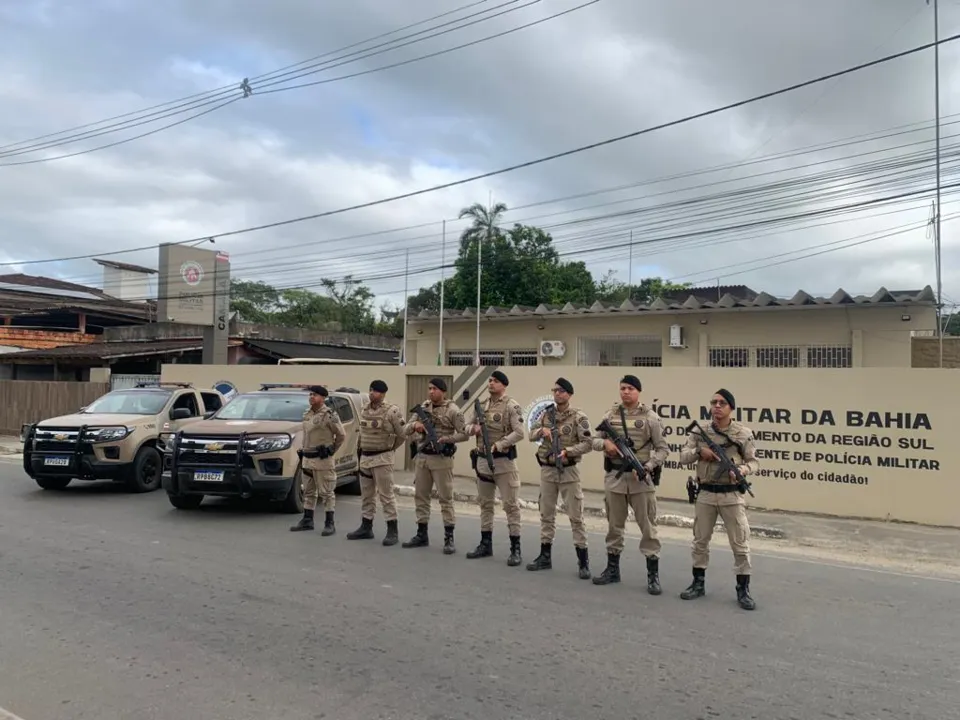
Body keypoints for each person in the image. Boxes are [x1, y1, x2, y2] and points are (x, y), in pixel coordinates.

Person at [678, 388, 759, 611]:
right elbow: (683, 456)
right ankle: (698, 583)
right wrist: (699, 453)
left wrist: (741, 469)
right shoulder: (700, 431)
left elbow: (754, 462)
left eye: (722, 403)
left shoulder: (743, 433)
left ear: (731, 407)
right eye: (713, 402)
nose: (716, 406)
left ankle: (743, 589)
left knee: (740, 542)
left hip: (731, 494)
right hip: (705, 493)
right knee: (700, 541)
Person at [591, 374, 669, 594]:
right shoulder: (610, 415)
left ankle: (653, 576)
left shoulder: (650, 418)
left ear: (638, 392)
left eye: (630, 388)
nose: (626, 392)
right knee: (614, 526)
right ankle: (613, 570)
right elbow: (593, 440)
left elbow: (663, 449)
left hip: (640, 480)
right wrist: (605, 443)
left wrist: (649, 466)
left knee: (648, 529)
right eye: (623, 388)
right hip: (615, 478)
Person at [526, 377, 594, 579]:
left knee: (576, 517)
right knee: (546, 514)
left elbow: (588, 443)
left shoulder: (578, 417)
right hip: (547, 470)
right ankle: (545, 556)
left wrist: (568, 451)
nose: (557, 394)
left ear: (569, 394)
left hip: (568, 471)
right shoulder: (547, 413)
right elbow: (531, 434)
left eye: (562, 391)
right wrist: (542, 431)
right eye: (555, 390)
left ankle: (583, 562)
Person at [457, 370, 526, 566]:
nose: (491, 383)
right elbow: (465, 428)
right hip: (482, 461)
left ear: (504, 385)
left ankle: (515, 549)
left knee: (511, 506)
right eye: (490, 380)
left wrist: (500, 444)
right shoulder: (481, 405)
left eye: (495, 381)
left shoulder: (512, 406)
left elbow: (519, 433)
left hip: (503, 462)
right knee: (485, 504)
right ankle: (485, 544)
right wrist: (474, 429)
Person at [401, 377, 466, 554]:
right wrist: (415, 425)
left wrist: (448, 439)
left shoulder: (453, 410)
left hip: (442, 460)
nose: (431, 392)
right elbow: (405, 429)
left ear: (443, 391)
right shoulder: (423, 408)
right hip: (423, 458)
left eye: (435, 389)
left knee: (446, 498)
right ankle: (422, 534)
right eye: (429, 388)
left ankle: (449, 537)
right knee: (421, 497)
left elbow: (464, 434)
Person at [346, 379, 406, 546]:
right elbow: (362, 433)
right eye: (371, 390)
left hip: (382, 459)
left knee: (386, 496)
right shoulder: (364, 409)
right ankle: (366, 527)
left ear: (383, 393)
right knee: (366, 495)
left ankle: (392, 530)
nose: (372, 393)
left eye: (376, 391)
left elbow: (403, 434)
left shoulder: (392, 411)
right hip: (365, 458)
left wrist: (390, 448)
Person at [290, 385, 346, 536]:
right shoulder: (307, 414)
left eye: (314, 395)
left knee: (327, 492)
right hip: (308, 458)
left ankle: (330, 523)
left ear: (323, 398)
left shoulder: (329, 415)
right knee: (308, 492)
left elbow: (341, 435)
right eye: (310, 394)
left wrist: (331, 450)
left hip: (322, 460)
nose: (311, 397)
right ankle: (307, 520)